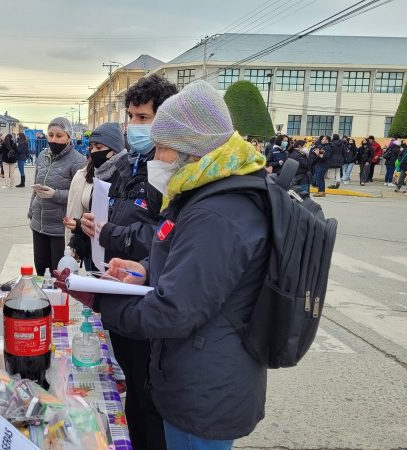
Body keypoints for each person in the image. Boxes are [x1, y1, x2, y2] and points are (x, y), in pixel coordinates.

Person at [59, 80, 270, 450]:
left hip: (203, 392)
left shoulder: (218, 212)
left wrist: (101, 299)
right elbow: (193, 267)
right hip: (196, 373)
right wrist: (145, 269)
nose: (155, 159)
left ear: (191, 149)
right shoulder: (209, 192)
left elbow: (174, 310)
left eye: (162, 148)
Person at [79, 74, 178, 450]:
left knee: (148, 396)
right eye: (131, 117)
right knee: (133, 388)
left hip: (148, 294)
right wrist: (91, 224)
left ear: (164, 120)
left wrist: (108, 235)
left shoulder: (170, 170)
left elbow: (163, 238)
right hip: (118, 284)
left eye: (143, 118)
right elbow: (114, 212)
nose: (134, 126)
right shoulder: (129, 163)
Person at [27, 117, 85, 275]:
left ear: (69, 136)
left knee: (59, 274)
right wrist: (31, 210)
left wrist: (55, 194)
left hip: (61, 228)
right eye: (50, 135)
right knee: (41, 270)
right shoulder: (42, 156)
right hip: (39, 224)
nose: (53, 139)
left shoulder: (78, 161)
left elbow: (79, 196)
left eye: (59, 136)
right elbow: (35, 187)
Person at [63, 123, 125, 270]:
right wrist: (78, 231)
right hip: (93, 256)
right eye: (92, 147)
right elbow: (93, 217)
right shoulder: (99, 175)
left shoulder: (125, 177)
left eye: (99, 148)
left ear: (115, 150)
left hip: (115, 261)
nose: (93, 152)